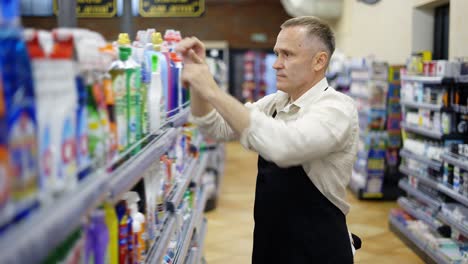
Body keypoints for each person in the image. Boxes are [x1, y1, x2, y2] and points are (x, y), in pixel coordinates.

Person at [176, 16, 359, 263]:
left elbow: (286, 147)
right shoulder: (275, 102)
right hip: (271, 244)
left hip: (318, 250)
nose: (276, 64)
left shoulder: (337, 109)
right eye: (277, 53)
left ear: (319, 61)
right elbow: (214, 127)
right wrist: (198, 82)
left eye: (287, 55)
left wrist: (212, 89)